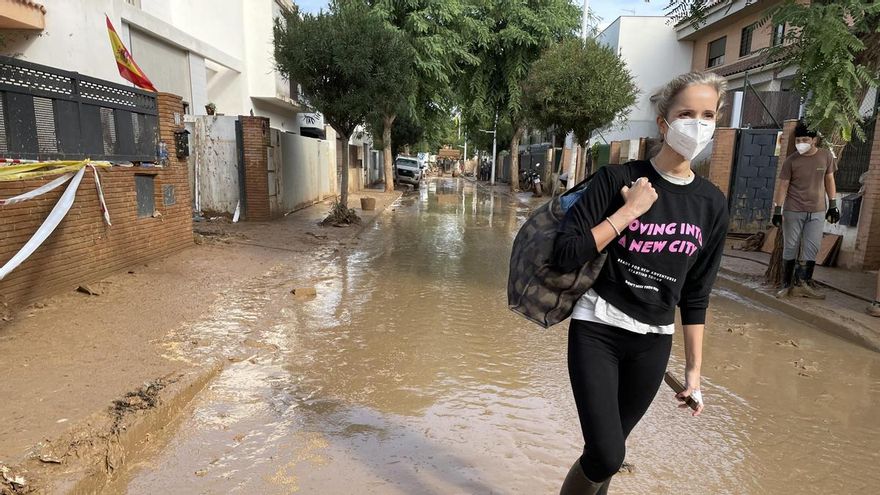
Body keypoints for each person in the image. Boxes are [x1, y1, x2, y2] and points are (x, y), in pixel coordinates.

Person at [552, 72, 730, 494]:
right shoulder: (616, 179)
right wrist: (628, 212)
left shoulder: (712, 204)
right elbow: (566, 253)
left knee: (607, 456)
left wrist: (694, 374)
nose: (697, 124)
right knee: (608, 454)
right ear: (663, 122)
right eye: (686, 113)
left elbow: (696, 294)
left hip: (653, 341)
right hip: (598, 329)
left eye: (707, 115)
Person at [771, 121, 839, 299]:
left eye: (805, 139)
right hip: (793, 210)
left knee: (812, 247)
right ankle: (786, 285)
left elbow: (829, 180)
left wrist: (833, 205)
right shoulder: (791, 161)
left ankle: (803, 284)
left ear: (814, 140)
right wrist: (778, 209)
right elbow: (783, 185)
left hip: (817, 211)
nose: (800, 143)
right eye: (798, 140)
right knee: (791, 246)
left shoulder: (825, 157)